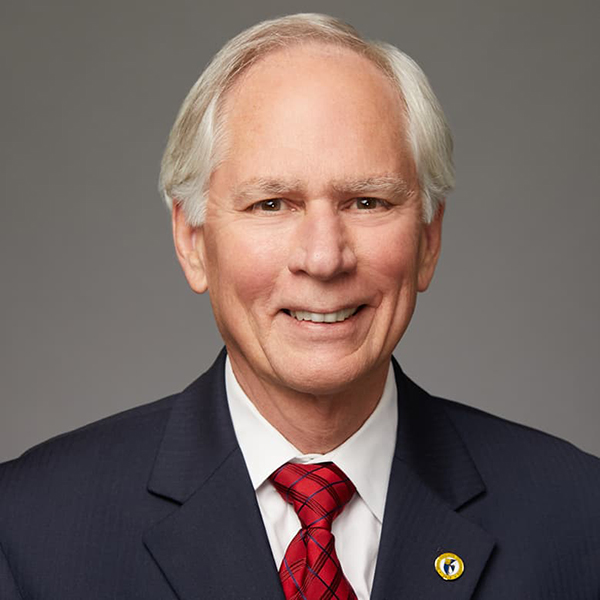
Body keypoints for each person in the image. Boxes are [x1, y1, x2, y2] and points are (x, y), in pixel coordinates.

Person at [0, 13, 598, 600]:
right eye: (271, 204)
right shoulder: (30, 527)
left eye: (367, 201)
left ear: (429, 239)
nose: (323, 257)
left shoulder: (577, 519)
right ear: (193, 242)